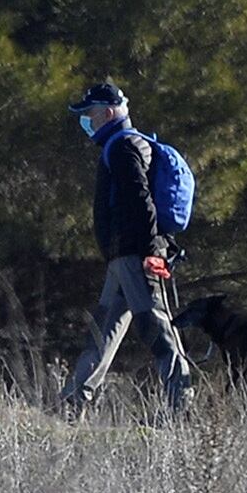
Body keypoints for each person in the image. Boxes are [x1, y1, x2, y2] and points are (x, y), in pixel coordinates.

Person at [55, 81, 191, 421]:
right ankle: (74, 402)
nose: (87, 120)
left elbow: (139, 199)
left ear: (109, 112)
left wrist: (150, 252)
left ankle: (181, 406)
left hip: (135, 256)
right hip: (122, 258)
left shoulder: (123, 147)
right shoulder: (120, 146)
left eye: (91, 113)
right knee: (103, 332)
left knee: (156, 327)